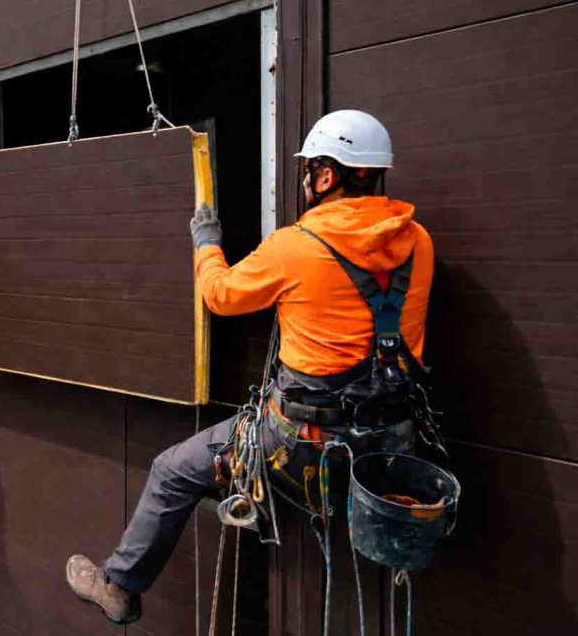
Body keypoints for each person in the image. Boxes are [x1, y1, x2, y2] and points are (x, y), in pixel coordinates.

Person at [65, 110, 435, 624]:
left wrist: (206, 242)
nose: (305, 178)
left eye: (310, 169)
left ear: (327, 176)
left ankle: (120, 585)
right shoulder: (418, 243)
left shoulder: (295, 247)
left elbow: (220, 295)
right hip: (388, 443)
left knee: (172, 471)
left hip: (303, 444)